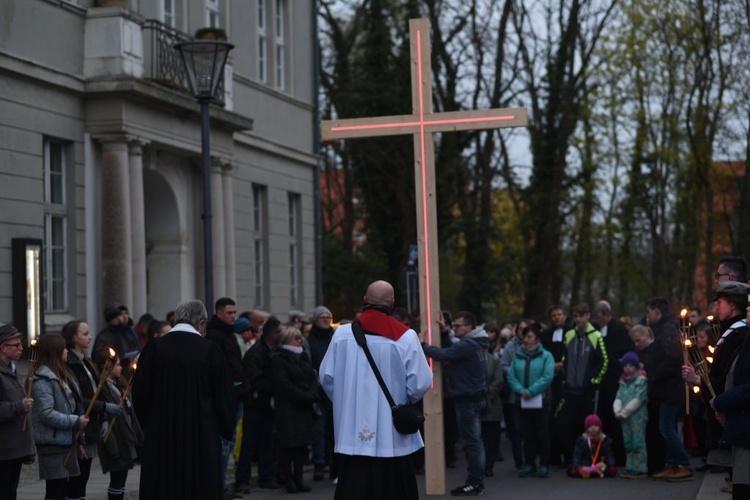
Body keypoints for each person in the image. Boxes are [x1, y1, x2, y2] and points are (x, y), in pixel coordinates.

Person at [320, 280, 432, 500]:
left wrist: (346, 402)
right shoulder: (406, 337)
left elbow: (326, 377)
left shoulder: (342, 335)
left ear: (364, 301)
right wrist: (403, 399)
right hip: (391, 430)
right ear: (392, 303)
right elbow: (421, 382)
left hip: (352, 429)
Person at [131, 299, 236, 500]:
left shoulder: (154, 349)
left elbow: (140, 392)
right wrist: (224, 428)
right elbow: (225, 395)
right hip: (201, 435)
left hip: (161, 434)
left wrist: (148, 424)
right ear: (201, 323)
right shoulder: (210, 350)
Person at [422, 310, 488, 496]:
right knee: (475, 442)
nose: (455, 328)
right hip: (474, 398)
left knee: (473, 443)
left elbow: (444, 354)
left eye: (458, 325)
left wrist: (421, 345)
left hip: (467, 400)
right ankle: (476, 482)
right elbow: (453, 352)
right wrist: (444, 333)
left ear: (469, 328)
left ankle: (475, 483)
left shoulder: (468, 344)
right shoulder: (476, 342)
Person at [62, 320, 123, 500]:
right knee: (77, 477)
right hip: (81, 424)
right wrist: (104, 407)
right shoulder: (71, 363)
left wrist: (103, 417)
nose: (90, 337)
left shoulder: (85, 360)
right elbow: (80, 397)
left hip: (93, 422)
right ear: (73, 338)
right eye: (85, 333)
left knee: (85, 474)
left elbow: (98, 389)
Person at [31, 334, 89, 500]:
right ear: (55, 352)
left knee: (63, 487)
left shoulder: (62, 375)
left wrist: (79, 441)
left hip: (65, 440)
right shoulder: (43, 379)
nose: (67, 352)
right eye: (63, 348)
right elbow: (46, 413)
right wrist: (75, 421)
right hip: (52, 442)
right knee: (55, 489)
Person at [205, 297, 250, 498]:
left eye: (234, 312)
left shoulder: (228, 334)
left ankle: (221, 485)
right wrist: (237, 386)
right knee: (224, 443)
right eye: (229, 312)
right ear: (219, 312)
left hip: (236, 393)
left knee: (229, 443)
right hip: (228, 395)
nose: (233, 316)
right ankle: (219, 486)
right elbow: (224, 370)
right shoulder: (215, 335)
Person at [554, 303, 608, 466]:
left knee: (586, 425)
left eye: (581, 316)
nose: (578, 319)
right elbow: (565, 357)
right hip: (570, 388)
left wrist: (593, 381)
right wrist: (564, 376)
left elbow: (603, 361)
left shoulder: (596, 335)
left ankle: (586, 458)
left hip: (586, 390)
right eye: (575, 316)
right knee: (565, 424)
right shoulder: (569, 335)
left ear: (588, 316)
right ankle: (570, 458)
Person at [646, 296, 693, 481]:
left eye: (649, 311)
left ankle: (682, 463)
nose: (648, 316)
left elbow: (673, 356)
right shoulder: (667, 327)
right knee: (669, 425)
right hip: (668, 388)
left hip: (670, 388)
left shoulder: (666, 329)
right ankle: (672, 463)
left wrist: (656, 374)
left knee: (666, 427)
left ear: (657, 310)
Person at [235, 317, 284, 492]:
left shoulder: (274, 350)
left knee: (267, 442)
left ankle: (266, 477)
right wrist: (278, 384)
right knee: (250, 443)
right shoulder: (256, 354)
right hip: (255, 403)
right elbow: (255, 380)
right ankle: (243, 480)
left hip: (267, 403)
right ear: (274, 334)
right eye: (280, 332)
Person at [270, 326, 320, 493]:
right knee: (288, 446)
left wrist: (312, 393)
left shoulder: (303, 355)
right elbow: (283, 384)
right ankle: (288, 479)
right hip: (288, 408)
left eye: (300, 337)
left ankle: (299, 478)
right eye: (296, 338)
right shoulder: (278, 358)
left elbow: (313, 375)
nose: (300, 341)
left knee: (301, 446)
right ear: (287, 340)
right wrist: (305, 396)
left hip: (303, 408)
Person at [93, 349, 143, 500]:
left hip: (125, 434)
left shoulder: (118, 384)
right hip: (115, 435)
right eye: (117, 365)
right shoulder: (102, 386)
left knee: (122, 476)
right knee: (117, 476)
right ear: (106, 366)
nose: (121, 368)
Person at [507, 323, 554, 478]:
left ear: (537, 340)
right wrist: (520, 390)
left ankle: (544, 463)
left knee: (542, 432)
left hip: (541, 400)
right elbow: (511, 375)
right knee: (527, 433)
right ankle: (530, 463)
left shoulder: (546, 356)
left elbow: (547, 377)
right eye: (524, 337)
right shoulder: (518, 356)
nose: (525, 340)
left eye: (529, 337)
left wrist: (531, 391)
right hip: (523, 400)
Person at [592, 300, 634, 465]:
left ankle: (619, 454)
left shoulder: (618, 330)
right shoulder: (596, 330)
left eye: (600, 317)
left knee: (615, 418)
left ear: (608, 315)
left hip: (614, 379)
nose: (598, 321)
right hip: (602, 381)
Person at [0, 323, 35, 500]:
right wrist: (19, 407)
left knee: (11, 491)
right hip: (4, 449)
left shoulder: (13, 370)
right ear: (3, 347)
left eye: (21, 344)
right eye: (16, 345)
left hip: (16, 447)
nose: (21, 348)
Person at [306, 305, 336, 481]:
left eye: (328, 317)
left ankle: (334, 464)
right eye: (322, 318)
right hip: (318, 391)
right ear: (316, 321)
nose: (326, 320)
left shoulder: (336, 338)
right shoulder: (310, 341)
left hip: (334, 390)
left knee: (334, 430)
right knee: (319, 430)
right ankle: (319, 463)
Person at [500, 319, 532, 471]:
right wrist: (515, 373)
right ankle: (519, 461)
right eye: (521, 329)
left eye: (526, 330)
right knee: (516, 430)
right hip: (514, 393)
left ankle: (531, 460)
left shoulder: (535, 345)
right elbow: (503, 365)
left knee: (531, 429)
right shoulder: (510, 346)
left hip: (533, 393)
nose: (523, 332)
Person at [540, 306, 571, 465]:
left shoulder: (571, 333)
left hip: (567, 381)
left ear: (565, 316)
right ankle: (553, 456)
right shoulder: (546, 335)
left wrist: (563, 364)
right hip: (550, 380)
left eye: (559, 315)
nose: (556, 318)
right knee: (551, 419)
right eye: (553, 315)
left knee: (565, 419)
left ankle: (569, 455)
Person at [614, 351, 649, 479]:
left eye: (630, 365)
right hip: (624, 416)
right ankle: (631, 467)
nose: (627, 368)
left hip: (637, 416)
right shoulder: (622, 381)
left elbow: (639, 399)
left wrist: (625, 412)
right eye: (625, 366)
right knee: (628, 442)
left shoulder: (641, 380)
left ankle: (640, 469)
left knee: (638, 441)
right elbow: (618, 397)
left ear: (636, 366)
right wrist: (617, 410)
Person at [94, 304, 140, 380]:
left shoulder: (130, 332)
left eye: (120, 315)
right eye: (115, 317)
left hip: (131, 369)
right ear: (110, 321)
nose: (120, 319)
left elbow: (138, 347)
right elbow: (101, 357)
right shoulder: (104, 337)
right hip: (116, 372)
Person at [480, 331, 503, 477]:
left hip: (492, 405)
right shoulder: (472, 361)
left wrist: (486, 394)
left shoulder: (494, 361)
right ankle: (478, 466)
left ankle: (489, 465)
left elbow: (498, 381)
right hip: (476, 405)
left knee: (492, 439)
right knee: (478, 438)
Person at [568, 414, 616, 478]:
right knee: (573, 469)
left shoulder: (605, 440)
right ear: (586, 428)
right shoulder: (582, 440)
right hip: (585, 464)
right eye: (590, 426)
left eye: (596, 426)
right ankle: (586, 471)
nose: (593, 428)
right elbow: (577, 454)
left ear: (600, 427)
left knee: (608, 469)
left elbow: (609, 454)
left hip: (599, 465)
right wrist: (576, 466)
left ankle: (595, 472)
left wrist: (611, 464)